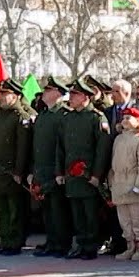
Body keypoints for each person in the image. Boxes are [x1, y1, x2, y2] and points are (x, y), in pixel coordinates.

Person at [58, 80, 111, 260]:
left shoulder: (96, 118)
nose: (70, 98)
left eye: (75, 95)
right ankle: (81, 245)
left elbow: (102, 150)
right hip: (71, 175)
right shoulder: (68, 118)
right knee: (77, 213)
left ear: (85, 97)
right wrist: (60, 172)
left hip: (88, 175)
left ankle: (91, 246)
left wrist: (97, 175)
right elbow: (61, 148)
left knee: (90, 213)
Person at [0, 79, 32, 255]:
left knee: (15, 209)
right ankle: (4, 239)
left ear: (16, 96)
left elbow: (23, 147)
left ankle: (15, 241)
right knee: (2, 208)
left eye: (6, 94)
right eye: (1, 94)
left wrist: (19, 171)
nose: (2, 98)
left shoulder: (21, 117)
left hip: (12, 172)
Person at [30, 77, 72, 258]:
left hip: (55, 169)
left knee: (58, 210)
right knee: (47, 210)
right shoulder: (44, 115)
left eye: (48, 90)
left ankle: (61, 243)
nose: (44, 93)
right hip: (41, 169)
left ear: (57, 93)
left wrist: (59, 171)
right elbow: (36, 146)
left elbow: (62, 146)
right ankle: (52, 241)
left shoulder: (63, 115)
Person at [109, 106, 139, 261]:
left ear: (138, 121)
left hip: (134, 184)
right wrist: (111, 182)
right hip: (120, 185)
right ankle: (130, 246)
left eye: (129, 118)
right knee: (125, 221)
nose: (125, 120)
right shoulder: (119, 139)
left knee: (137, 220)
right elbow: (113, 162)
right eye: (124, 118)